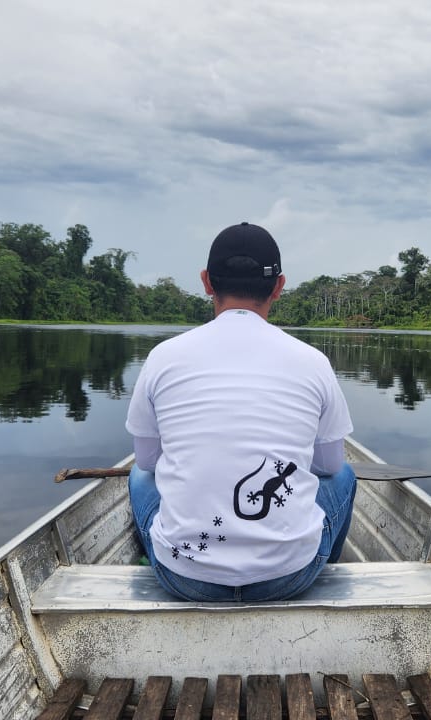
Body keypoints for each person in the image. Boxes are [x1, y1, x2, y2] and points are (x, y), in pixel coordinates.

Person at [125, 222, 356, 602]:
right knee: (345, 474)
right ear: (279, 286)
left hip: (185, 577)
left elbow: (148, 461)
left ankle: (169, 550)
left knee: (138, 476)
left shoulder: (162, 357)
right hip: (288, 577)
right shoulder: (313, 362)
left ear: (206, 282)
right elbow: (329, 467)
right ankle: (324, 570)